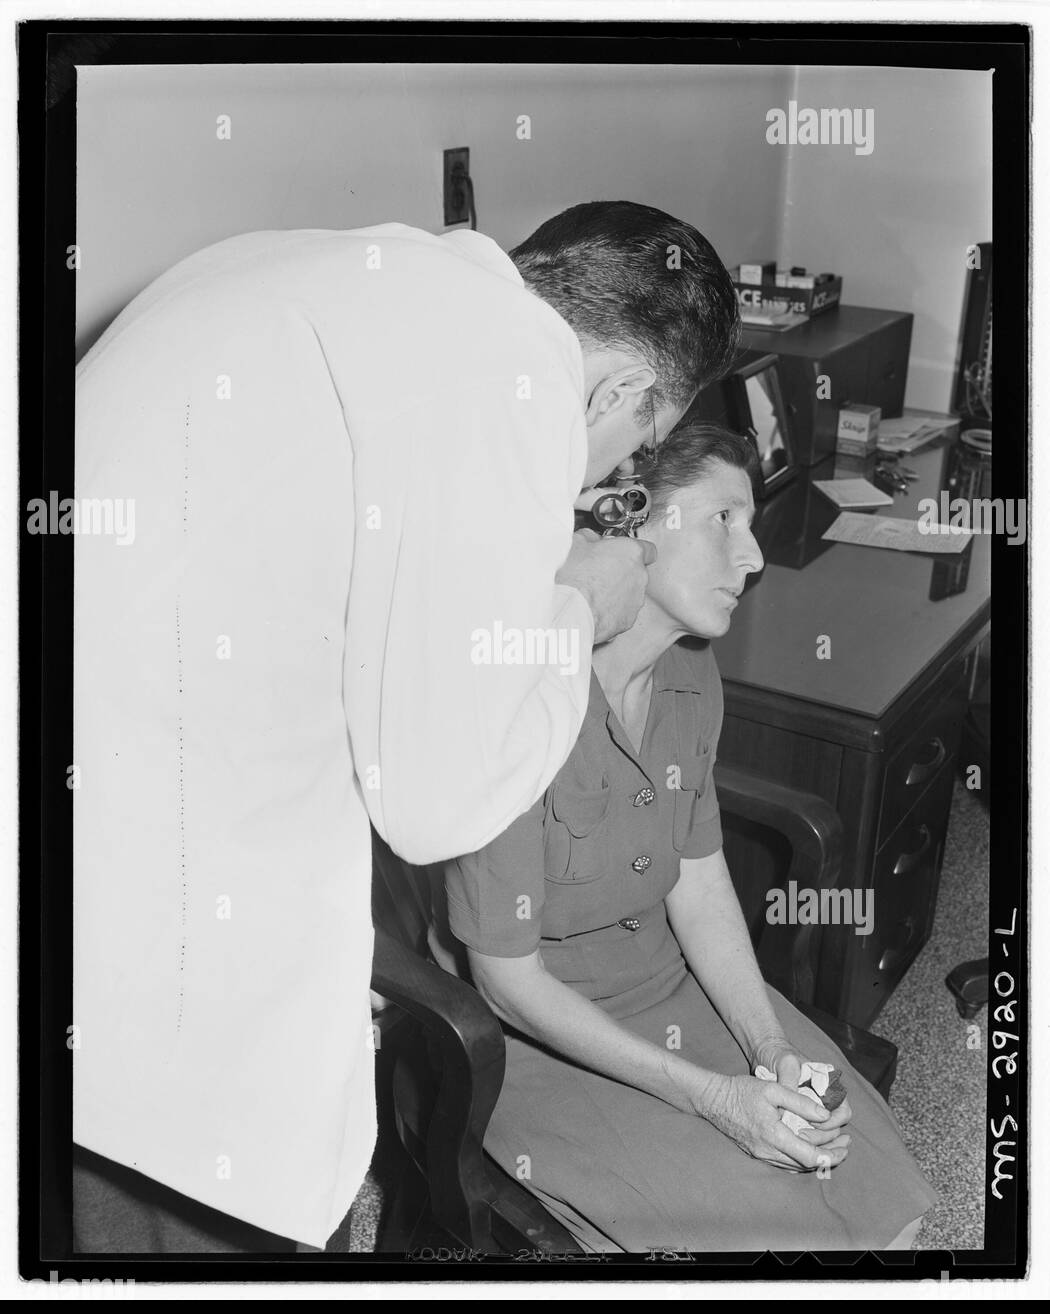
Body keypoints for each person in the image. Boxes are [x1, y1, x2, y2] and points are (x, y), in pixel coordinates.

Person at [72, 202, 741, 1250]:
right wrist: (579, 610)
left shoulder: (313, 260)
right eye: (635, 443)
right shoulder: (518, 377)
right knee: (214, 1210)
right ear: (620, 390)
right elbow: (439, 803)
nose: (606, 474)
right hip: (181, 919)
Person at [441, 421, 938, 1252]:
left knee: (887, 1205)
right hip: (537, 1042)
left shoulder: (689, 671)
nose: (754, 557)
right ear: (632, 524)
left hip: (667, 990)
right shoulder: (515, 698)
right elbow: (505, 984)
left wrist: (766, 1050)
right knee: (762, 1234)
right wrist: (715, 1098)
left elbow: (700, 885)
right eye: (723, 521)